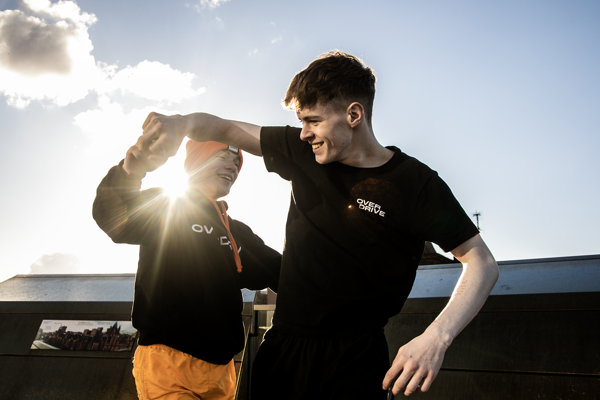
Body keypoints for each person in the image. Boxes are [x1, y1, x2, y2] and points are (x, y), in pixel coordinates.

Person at [135, 50, 499, 399]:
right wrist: (181, 124)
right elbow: (226, 127)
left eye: (313, 121)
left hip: (357, 361)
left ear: (353, 115)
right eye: (301, 122)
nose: (304, 133)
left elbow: (480, 261)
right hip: (283, 351)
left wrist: (437, 337)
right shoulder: (303, 153)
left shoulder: (416, 184)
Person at [92, 138, 281, 400]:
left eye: (237, 162)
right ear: (197, 162)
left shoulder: (236, 232)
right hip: (168, 360)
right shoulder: (167, 204)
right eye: (222, 157)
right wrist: (132, 168)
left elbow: (281, 271)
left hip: (222, 369)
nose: (233, 166)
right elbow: (113, 215)